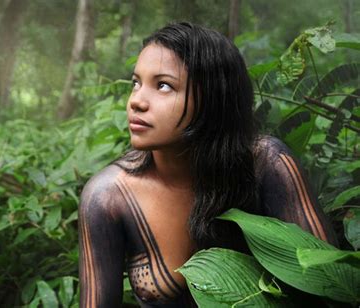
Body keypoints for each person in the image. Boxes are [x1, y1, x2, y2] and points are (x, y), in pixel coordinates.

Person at [78, 22, 337, 307]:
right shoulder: (108, 197)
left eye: (163, 85)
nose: (137, 101)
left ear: (212, 98)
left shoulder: (267, 164)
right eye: (136, 83)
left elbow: (333, 286)